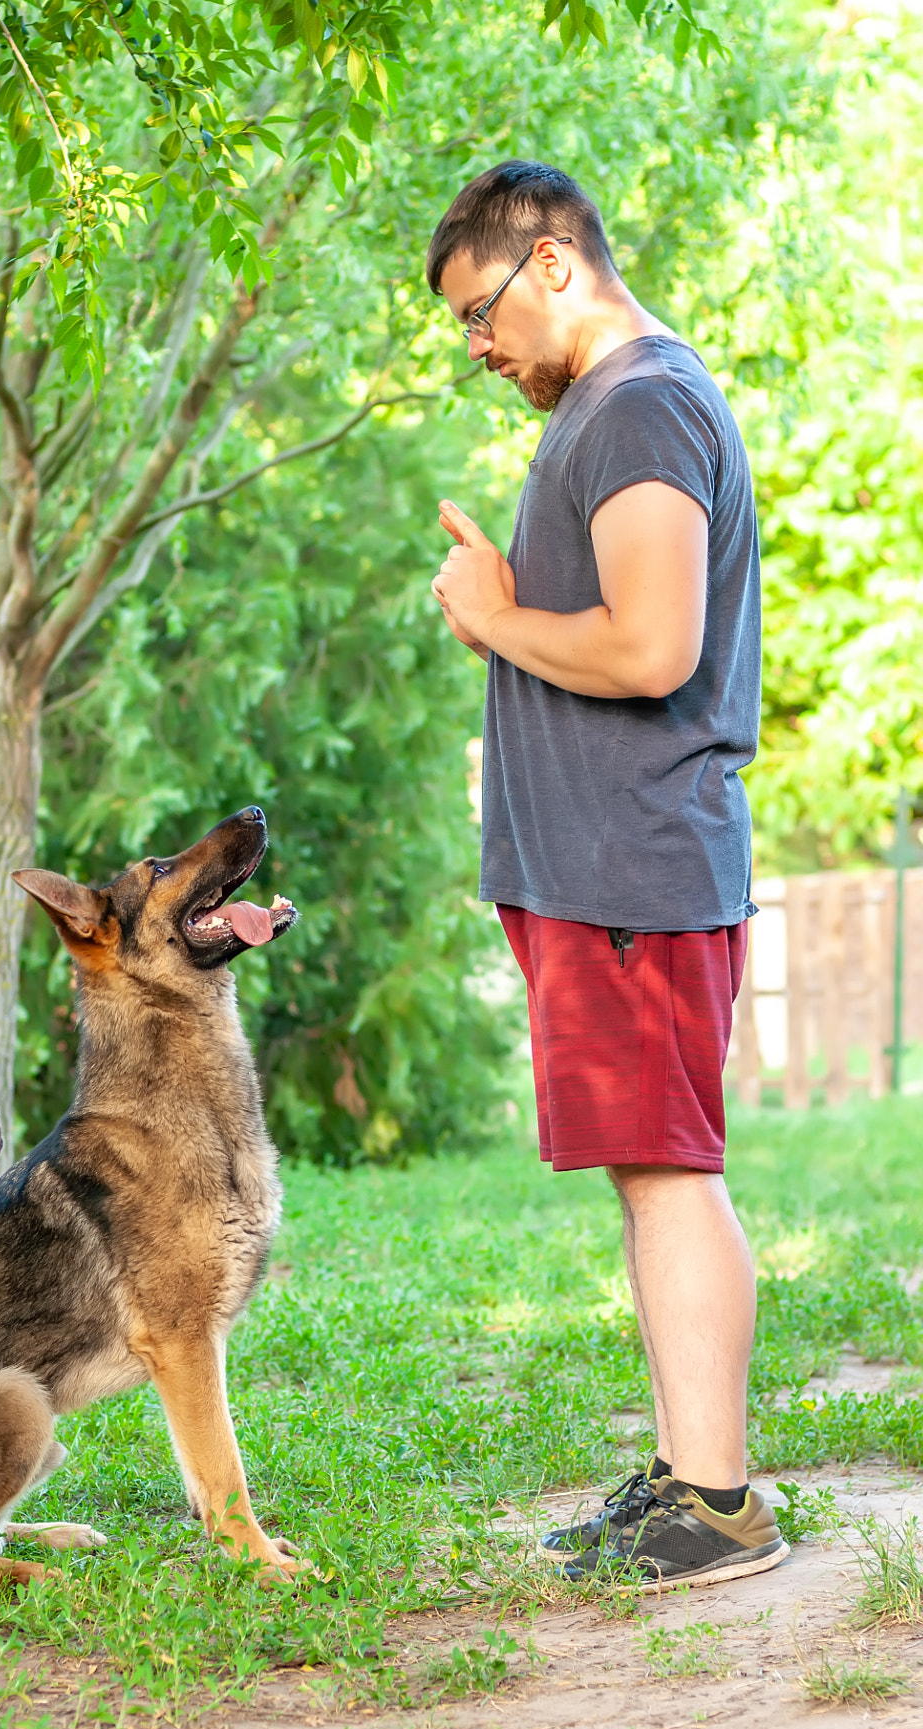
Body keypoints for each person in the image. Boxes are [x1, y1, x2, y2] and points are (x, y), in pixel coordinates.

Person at [426, 159, 787, 1588]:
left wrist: (496, 618)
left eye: (482, 311)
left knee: (669, 1175)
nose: (478, 347)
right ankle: (688, 1476)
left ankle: (718, 1504)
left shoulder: (638, 407)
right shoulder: (615, 409)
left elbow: (653, 650)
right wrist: (502, 620)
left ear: (557, 259)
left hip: (633, 872)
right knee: (653, 1176)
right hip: (607, 876)